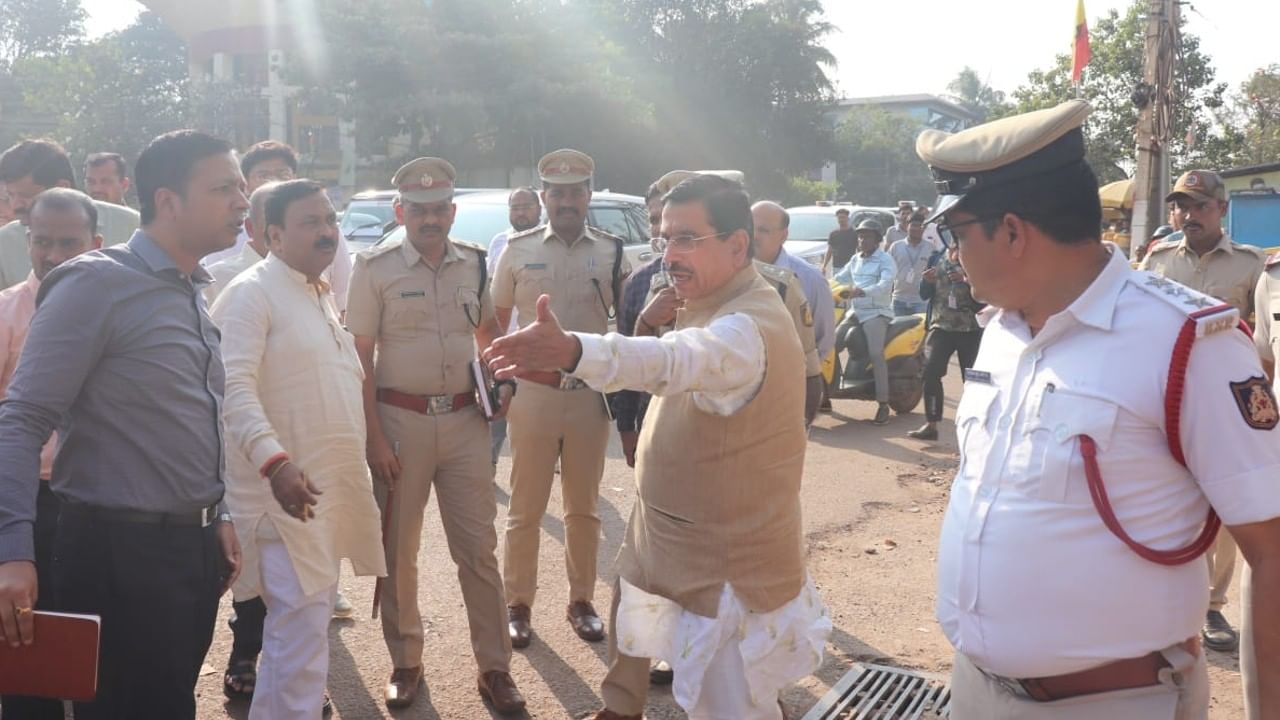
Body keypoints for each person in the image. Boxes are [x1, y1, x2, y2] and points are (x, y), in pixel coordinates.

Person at [920, 98, 1280, 719]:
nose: (952, 255)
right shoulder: (1003, 329)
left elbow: (1271, 547)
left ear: (1011, 231)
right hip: (976, 689)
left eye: (957, 234)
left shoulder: (1187, 343)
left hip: (1112, 703)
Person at [483, 173, 831, 720]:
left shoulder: (746, 326)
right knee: (637, 633)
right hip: (669, 540)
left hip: (723, 569)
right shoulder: (709, 301)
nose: (670, 254)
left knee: (730, 702)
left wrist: (572, 349)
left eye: (688, 239)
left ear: (738, 246)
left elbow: (669, 362)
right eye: (665, 238)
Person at [0, 129, 246, 719]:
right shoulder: (96, 284)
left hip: (187, 550)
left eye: (241, 187)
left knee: (168, 705)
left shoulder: (189, 288)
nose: (242, 201)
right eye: (223, 189)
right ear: (169, 201)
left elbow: (195, 420)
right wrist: (12, 550)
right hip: (119, 553)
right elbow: (22, 419)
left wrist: (220, 513)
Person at [347, 157, 526, 713]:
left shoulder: (473, 263)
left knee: (478, 550)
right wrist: (373, 439)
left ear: (452, 211)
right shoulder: (374, 269)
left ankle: (495, 668)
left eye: (438, 210)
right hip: (399, 424)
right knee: (398, 552)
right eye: (418, 210)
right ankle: (406, 660)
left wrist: (502, 379)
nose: (429, 219)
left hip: (466, 424)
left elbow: (489, 331)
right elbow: (360, 359)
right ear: (401, 211)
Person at [211, 179, 385, 719]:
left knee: (304, 631)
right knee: (297, 632)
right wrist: (276, 461)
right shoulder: (250, 292)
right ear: (274, 234)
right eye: (311, 222)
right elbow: (231, 390)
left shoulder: (317, 292)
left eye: (330, 220)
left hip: (319, 496)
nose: (327, 231)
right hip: (281, 498)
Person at [493, 149, 630, 649]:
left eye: (576, 192)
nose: (567, 200)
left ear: (588, 196)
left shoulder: (614, 252)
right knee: (525, 508)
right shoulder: (517, 248)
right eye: (558, 192)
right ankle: (517, 604)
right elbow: (493, 317)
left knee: (583, 508)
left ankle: (581, 601)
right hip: (533, 393)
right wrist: (501, 374)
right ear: (544, 197)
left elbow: (629, 321)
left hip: (588, 398)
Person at [1139, 169, 1266, 653]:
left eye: (1199, 207)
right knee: (1161, 495)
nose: (1187, 216)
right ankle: (1164, 602)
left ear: (1222, 210)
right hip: (1161, 399)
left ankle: (1211, 607)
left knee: (1225, 505)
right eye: (1180, 207)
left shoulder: (1252, 267)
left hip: (1226, 408)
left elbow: (1262, 343)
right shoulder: (1156, 260)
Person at [0, 188, 102, 719]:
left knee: (99, 641)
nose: (55, 255)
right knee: (25, 641)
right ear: (27, 241)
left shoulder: (116, 314)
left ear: (97, 242)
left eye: (70, 242)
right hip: (29, 504)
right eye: (43, 241)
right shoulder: (7, 312)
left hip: (101, 503)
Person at [0, 138, 140, 289]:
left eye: (26, 196)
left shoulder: (131, 227)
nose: (15, 206)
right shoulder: (5, 242)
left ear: (62, 187)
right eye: (10, 196)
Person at [752, 200, 835, 424]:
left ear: (783, 235)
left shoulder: (810, 279)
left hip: (787, 394)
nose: (754, 236)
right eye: (750, 227)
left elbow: (822, 339)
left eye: (763, 230)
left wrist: (794, 378)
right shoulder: (729, 273)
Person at [487, 187, 543, 465]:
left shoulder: (548, 243)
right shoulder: (500, 242)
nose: (520, 212)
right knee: (497, 403)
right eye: (515, 207)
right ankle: (489, 463)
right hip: (503, 340)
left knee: (537, 410)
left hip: (536, 345)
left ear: (539, 206)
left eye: (526, 206)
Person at [906, 241, 982, 441]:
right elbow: (924, 295)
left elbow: (984, 296)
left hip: (970, 329)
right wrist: (927, 281)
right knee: (930, 372)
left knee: (973, 380)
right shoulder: (936, 258)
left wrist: (966, 280)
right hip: (940, 326)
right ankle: (931, 424)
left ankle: (975, 427)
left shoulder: (976, 257)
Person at [834, 218, 897, 425]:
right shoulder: (855, 259)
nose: (862, 240)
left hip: (876, 312)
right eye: (860, 236)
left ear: (877, 239)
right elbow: (839, 279)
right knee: (829, 345)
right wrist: (817, 281)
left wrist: (863, 291)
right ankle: (825, 393)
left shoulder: (885, 260)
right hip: (855, 312)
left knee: (875, 353)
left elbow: (885, 284)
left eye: (867, 236)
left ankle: (883, 403)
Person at [205, 182, 277, 304]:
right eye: (276, 222)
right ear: (250, 228)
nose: (291, 232)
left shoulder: (317, 276)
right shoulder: (216, 280)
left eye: (306, 223)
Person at [888, 208, 933, 316]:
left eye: (920, 226)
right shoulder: (896, 246)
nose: (916, 228)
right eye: (913, 225)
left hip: (921, 302)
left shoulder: (931, 248)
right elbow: (887, 271)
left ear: (924, 228)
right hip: (898, 301)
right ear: (907, 226)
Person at [823, 207, 857, 273]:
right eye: (839, 218)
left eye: (843, 217)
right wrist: (824, 266)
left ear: (848, 218)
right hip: (836, 266)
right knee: (836, 283)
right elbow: (829, 251)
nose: (841, 219)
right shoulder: (833, 234)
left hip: (851, 266)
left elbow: (859, 250)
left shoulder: (854, 233)